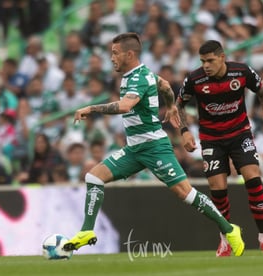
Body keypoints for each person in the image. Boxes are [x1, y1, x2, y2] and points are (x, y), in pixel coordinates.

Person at [62, 33, 244, 256]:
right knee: (93, 177)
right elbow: (165, 86)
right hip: (134, 149)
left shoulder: (138, 78)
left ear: (129, 54)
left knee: (185, 193)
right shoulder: (140, 74)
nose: (111, 58)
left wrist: (91, 109)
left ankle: (230, 229)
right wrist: (171, 107)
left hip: (154, 146)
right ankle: (87, 231)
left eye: (115, 53)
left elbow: (126, 106)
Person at [174, 40, 263, 256]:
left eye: (210, 60)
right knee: (218, 190)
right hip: (211, 139)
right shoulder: (195, 79)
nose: (206, 65)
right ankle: (225, 238)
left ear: (222, 58)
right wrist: (184, 130)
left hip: (240, 134)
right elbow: (179, 104)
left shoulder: (241, 72)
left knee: (253, 179)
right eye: (202, 61)